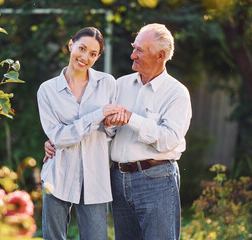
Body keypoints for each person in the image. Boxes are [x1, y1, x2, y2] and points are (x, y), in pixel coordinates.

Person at [45, 23, 192, 240]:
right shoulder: (119, 85)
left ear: (160, 55)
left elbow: (169, 139)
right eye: (134, 47)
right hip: (118, 179)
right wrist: (55, 141)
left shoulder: (176, 93)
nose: (132, 55)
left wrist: (132, 119)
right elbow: (103, 129)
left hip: (156, 179)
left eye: (140, 50)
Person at [37, 27, 125, 240]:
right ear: (71, 45)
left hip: (96, 176)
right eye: (82, 48)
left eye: (93, 54)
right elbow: (58, 137)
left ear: (98, 57)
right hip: (58, 174)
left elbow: (111, 132)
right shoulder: (47, 90)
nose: (85, 57)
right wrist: (97, 116)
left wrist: (111, 122)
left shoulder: (108, 83)